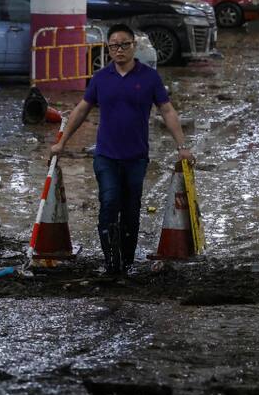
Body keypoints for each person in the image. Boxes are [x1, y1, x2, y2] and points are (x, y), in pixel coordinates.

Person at [50, 23, 195, 277]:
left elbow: (167, 110)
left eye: (124, 44)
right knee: (109, 202)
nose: (119, 50)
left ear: (133, 46)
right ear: (108, 49)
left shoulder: (149, 78)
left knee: (130, 209)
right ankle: (110, 262)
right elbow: (81, 109)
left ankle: (126, 262)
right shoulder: (101, 79)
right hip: (106, 155)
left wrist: (182, 146)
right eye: (114, 45)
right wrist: (61, 142)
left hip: (136, 158)